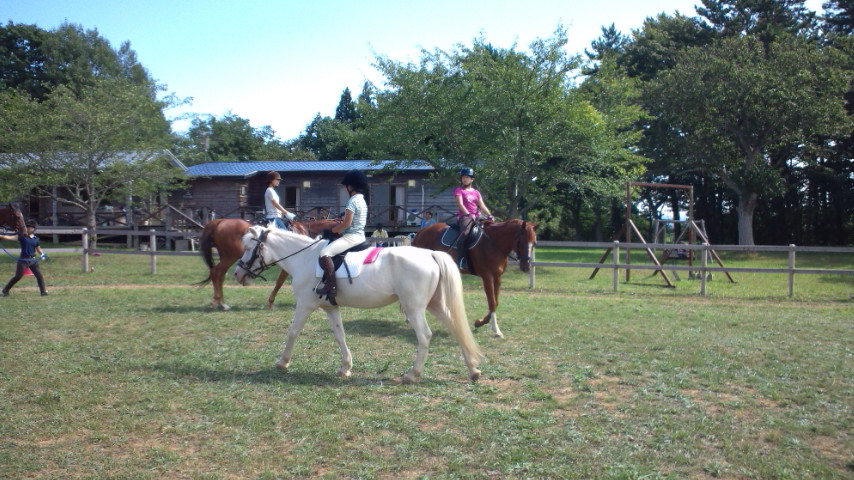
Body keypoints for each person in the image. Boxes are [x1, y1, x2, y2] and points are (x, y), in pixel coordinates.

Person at [315, 169, 369, 303]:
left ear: (350, 186)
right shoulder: (362, 200)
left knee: (324, 253)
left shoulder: (352, 201)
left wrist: (333, 231)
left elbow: (346, 224)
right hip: (360, 235)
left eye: (346, 186)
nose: (345, 189)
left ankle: (330, 287)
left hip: (351, 237)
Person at [454, 167, 493, 268]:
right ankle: (459, 259)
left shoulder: (476, 192)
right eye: (463, 177)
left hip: (477, 216)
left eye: (467, 177)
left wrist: (489, 215)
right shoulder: (459, 190)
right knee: (465, 233)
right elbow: (460, 205)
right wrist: (468, 214)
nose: (465, 179)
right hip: (464, 217)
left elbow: (482, 205)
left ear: (472, 179)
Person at [1, 220, 48, 297]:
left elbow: (38, 249)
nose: (28, 229)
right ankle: (5, 290)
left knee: (39, 276)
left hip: (32, 260)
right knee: (18, 276)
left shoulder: (36, 239)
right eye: (27, 227)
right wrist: (1, 236)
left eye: (30, 228)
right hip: (23, 260)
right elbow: (10, 237)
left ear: (34, 229)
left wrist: (43, 255)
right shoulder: (22, 236)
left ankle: (43, 292)